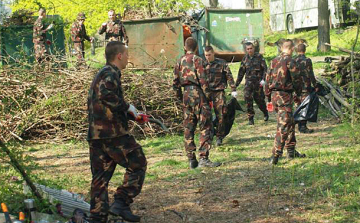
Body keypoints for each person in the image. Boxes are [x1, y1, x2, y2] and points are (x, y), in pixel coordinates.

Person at [87, 41, 147, 223]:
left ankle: (98, 218)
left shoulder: (102, 73)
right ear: (119, 55)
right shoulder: (110, 73)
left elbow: (104, 105)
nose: (128, 58)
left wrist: (131, 115)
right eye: (127, 55)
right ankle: (121, 202)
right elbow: (106, 95)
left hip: (97, 135)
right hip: (113, 135)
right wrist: (128, 106)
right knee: (138, 162)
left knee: (100, 178)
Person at [173, 37, 220, 168]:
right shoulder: (198, 60)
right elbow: (203, 80)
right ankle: (203, 158)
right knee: (205, 125)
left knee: (189, 127)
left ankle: (191, 159)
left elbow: (175, 83)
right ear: (196, 48)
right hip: (198, 93)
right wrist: (209, 97)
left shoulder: (179, 61)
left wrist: (180, 98)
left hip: (186, 95)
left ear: (185, 47)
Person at [264, 39, 306, 165]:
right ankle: (275, 155)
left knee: (290, 121)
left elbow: (267, 80)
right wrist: (298, 93)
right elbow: (297, 79)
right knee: (284, 123)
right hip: (284, 95)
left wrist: (268, 97)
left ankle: (291, 150)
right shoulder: (290, 61)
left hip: (275, 96)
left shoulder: (273, 61)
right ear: (292, 49)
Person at [204, 45, 237, 146]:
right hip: (207, 92)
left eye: (209, 55)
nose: (208, 57)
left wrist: (233, 89)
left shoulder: (221, 63)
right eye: (206, 55)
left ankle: (219, 136)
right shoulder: (202, 64)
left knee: (221, 114)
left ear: (213, 53)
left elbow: (229, 76)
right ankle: (207, 135)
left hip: (219, 91)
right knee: (205, 115)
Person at [236, 42, 269, 125]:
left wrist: (263, 79)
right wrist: (236, 85)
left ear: (253, 48)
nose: (249, 50)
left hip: (258, 83)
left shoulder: (259, 57)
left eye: (251, 48)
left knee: (260, 100)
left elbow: (265, 69)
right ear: (246, 50)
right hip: (248, 83)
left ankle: (265, 112)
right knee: (247, 98)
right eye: (248, 49)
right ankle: (251, 118)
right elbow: (241, 73)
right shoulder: (245, 59)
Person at [294, 43, 318, 133]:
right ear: (305, 50)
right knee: (304, 106)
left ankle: (295, 121)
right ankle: (302, 126)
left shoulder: (293, 60)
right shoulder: (307, 60)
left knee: (297, 104)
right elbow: (311, 74)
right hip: (305, 86)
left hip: (296, 87)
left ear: (296, 50)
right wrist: (315, 85)